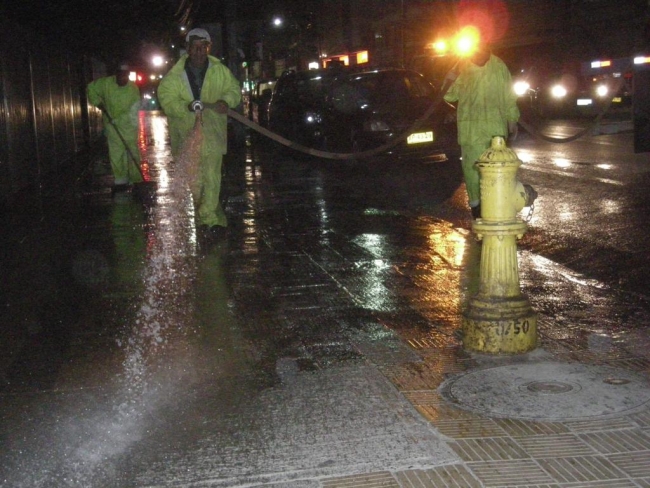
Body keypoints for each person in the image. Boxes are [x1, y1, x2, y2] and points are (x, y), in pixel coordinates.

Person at [158, 27, 241, 239]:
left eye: (202, 47)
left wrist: (225, 101)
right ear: (187, 49)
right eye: (194, 47)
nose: (198, 51)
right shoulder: (174, 76)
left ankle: (210, 220)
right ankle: (207, 214)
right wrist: (185, 107)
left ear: (208, 48)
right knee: (196, 183)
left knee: (212, 177)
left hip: (212, 133)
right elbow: (167, 100)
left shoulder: (219, 71)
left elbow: (233, 91)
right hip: (186, 135)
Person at [444, 39, 519, 219]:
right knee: (473, 175)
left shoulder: (499, 66)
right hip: (471, 134)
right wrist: (451, 75)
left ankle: (496, 213)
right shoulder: (462, 68)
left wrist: (512, 120)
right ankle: (478, 214)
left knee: (496, 175)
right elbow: (448, 94)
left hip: (496, 135)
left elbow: (509, 95)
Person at [87, 63, 142, 191]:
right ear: (115, 75)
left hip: (129, 127)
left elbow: (133, 110)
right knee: (116, 155)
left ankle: (136, 180)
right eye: (120, 75)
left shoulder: (133, 89)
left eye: (125, 76)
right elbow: (91, 88)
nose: (123, 78)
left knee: (132, 153)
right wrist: (97, 102)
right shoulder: (105, 84)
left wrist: (117, 120)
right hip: (112, 128)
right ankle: (121, 181)